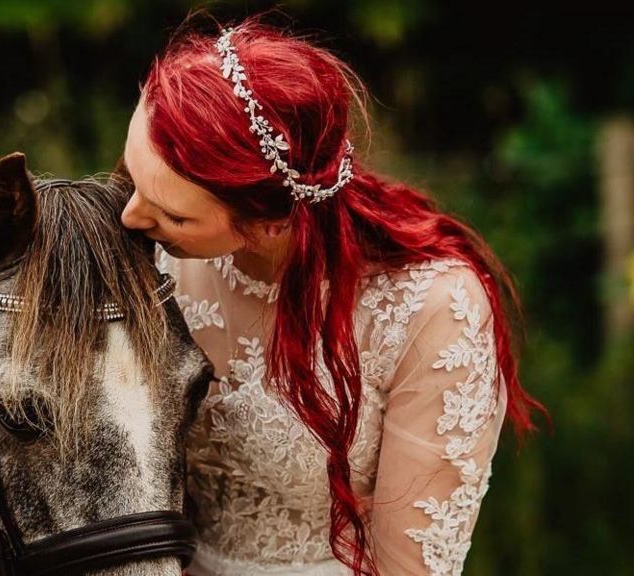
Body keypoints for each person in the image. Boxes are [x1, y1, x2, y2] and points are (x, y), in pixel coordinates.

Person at [116, 15, 546, 576]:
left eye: (173, 215)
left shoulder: (427, 310)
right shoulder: (146, 255)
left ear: (271, 223)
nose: (130, 217)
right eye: (131, 176)